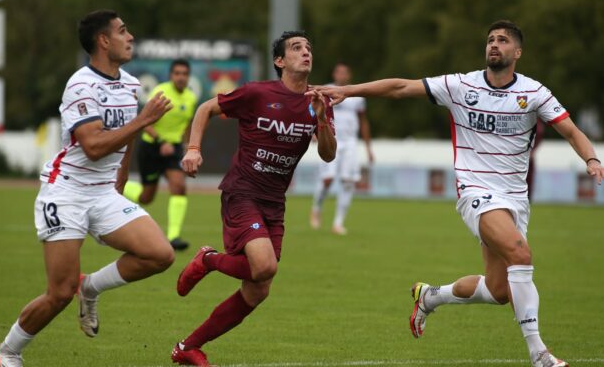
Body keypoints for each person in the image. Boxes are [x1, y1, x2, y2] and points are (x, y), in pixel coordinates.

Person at [310, 20, 603, 367]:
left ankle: (430, 297)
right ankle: (539, 355)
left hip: (515, 199)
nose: (494, 44)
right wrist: (349, 90)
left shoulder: (534, 92)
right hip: (475, 192)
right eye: (491, 39)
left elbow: (570, 130)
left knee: (498, 291)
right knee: (520, 256)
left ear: (517, 52)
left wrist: (592, 158)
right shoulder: (460, 85)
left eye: (503, 40)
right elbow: (401, 87)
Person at [0, 10, 175, 367]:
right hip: (67, 192)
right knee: (59, 293)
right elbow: (92, 146)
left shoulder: (131, 84)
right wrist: (145, 119)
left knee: (159, 254)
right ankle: (8, 351)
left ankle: (90, 286)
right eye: (123, 31)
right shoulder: (81, 85)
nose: (130, 36)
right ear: (103, 41)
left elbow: (128, 135)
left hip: (103, 192)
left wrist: (120, 176)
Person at [171, 31, 336, 366]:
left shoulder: (317, 101)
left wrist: (321, 117)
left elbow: (329, 155)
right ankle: (207, 260)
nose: (305, 52)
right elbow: (205, 108)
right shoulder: (258, 93)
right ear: (280, 61)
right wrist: (192, 148)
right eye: (296, 48)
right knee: (264, 267)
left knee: (259, 288)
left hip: (275, 202)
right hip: (242, 192)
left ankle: (188, 347)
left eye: (308, 47)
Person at [123, 59, 198, 251]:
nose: (181, 77)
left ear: (188, 77)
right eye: (177, 73)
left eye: (184, 74)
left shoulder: (190, 98)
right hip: (151, 148)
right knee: (146, 197)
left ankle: (173, 236)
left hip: (172, 150)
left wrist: (189, 146)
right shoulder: (161, 92)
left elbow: (188, 123)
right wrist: (160, 141)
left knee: (179, 186)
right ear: (171, 75)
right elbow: (144, 122)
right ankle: (118, 185)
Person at [310, 62, 374, 235]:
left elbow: (363, 121)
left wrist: (368, 147)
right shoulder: (326, 90)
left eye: (345, 72)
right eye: (339, 72)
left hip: (351, 142)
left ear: (349, 75)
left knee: (348, 181)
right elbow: (314, 110)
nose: (342, 75)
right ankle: (316, 209)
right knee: (328, 179)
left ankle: (338, 223)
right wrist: (315, 133)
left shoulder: (357, 94)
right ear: (334, 74)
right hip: (332, 140)